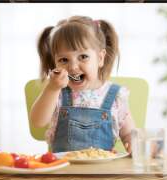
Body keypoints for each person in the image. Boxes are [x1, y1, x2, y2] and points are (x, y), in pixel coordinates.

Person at [30, 16, 135, 153]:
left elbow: (129, 134)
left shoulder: (115, 96)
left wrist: (133, 143)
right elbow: (38, 121)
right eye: (63, 60)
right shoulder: (57, 93)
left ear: (100, 58)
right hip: (63, 171)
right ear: (55, 62)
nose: (73, 67)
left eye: (83, 57)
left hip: (102, 172)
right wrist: (52, 88)